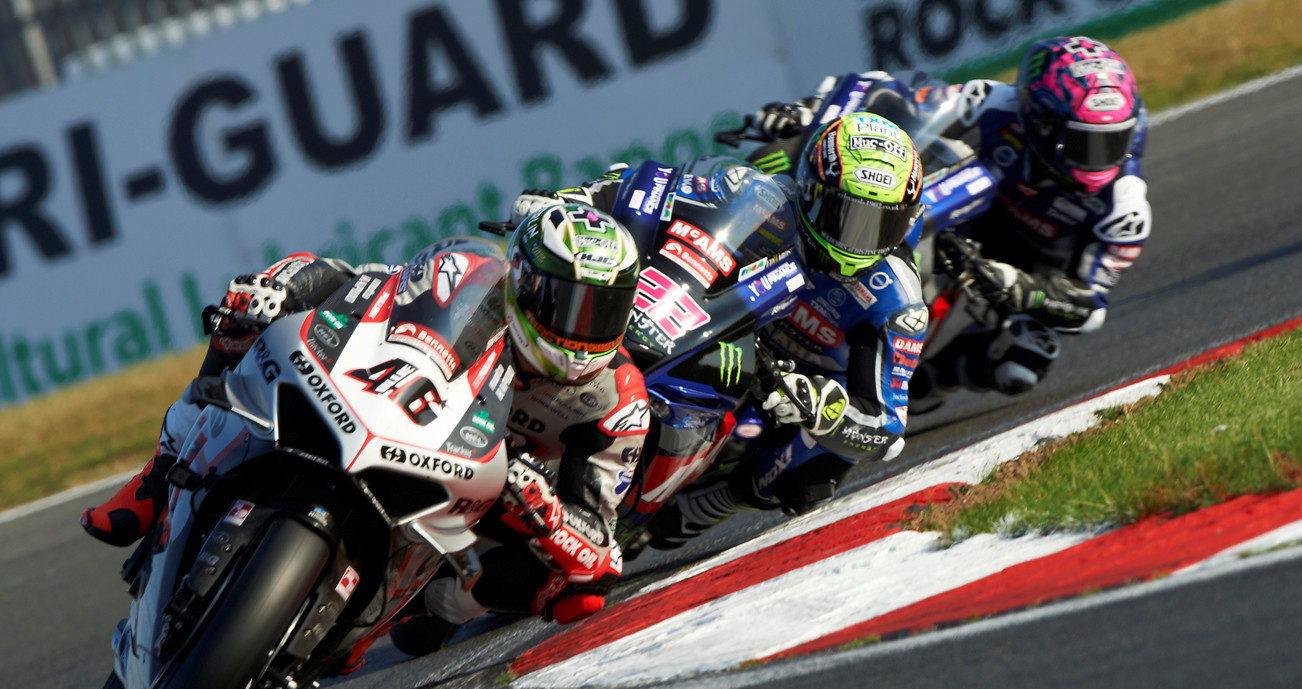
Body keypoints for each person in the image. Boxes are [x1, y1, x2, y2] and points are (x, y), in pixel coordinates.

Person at [80, 203, 647, 656]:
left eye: (602, 311)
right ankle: (158, 477)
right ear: (525, 282)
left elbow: (599, 546)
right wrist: (284, 287)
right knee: (249, 311)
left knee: (581, 594)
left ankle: (422, 607)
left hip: (479, 502)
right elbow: (373, 285)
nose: (581, 332)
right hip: (390, 412)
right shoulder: (475, 279)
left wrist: (542, 508)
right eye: (568, 305)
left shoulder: (615, 400)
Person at [516, 116, 930, 547]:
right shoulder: (758, 195)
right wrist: (574, 201)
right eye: (848, 217)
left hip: (801, 384)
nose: (859, 241)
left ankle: (712, 501)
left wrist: (822, 407)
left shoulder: (895, 299)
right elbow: (651, 184)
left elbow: (887, 428)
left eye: (878, 227)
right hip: (718, 330)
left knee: (809, 478)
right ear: (809, 191)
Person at [730, 35, 1151, 411]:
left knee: (1023, 358)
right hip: (961, 217)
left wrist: (1020, 288)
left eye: (1114, 140)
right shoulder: (992, 102)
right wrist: (809, 113)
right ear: (1041, 120)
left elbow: (1092, 306)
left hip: (1028, 269)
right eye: (1084, 142)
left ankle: (927, 384)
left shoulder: (1125, 206)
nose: (1099, 160)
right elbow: (892, 95)